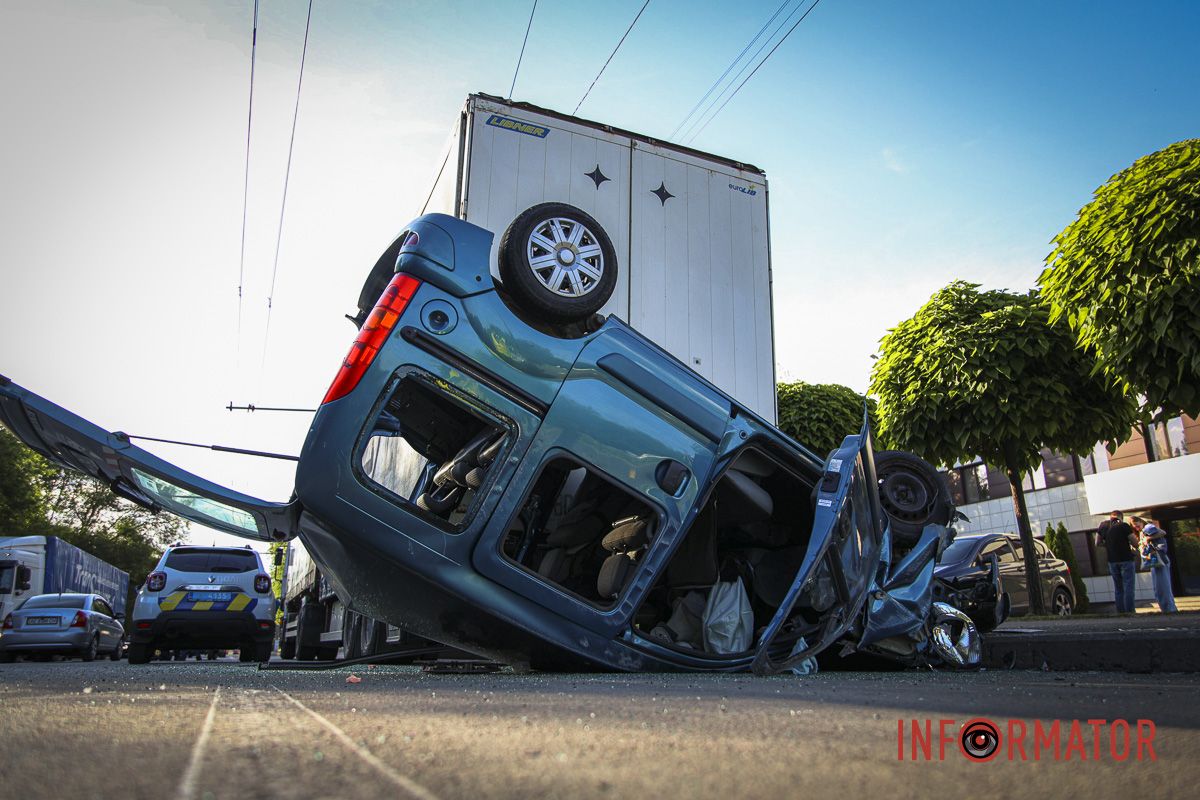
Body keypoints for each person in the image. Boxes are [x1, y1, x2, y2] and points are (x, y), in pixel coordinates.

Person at [1132, 516, 1177, 613]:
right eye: (1134, 526)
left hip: (1159, 559)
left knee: (1163, 587)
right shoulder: (1142, 531)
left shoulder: (1148, 527)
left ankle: (1169, 609)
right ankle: (1167, 609)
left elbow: (1162, 532)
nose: (1136, 528)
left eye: (1137, 525)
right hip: (1154, 561)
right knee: (1159, 587)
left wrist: (1147, 538)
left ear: (1140, 521)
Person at [1098, 510, 1137, 613]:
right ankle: (1130, 611)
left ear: (1111, 516)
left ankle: (1121, 612)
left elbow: (1097, 543)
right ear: (1121, 517)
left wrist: (1109, 545)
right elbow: (1134, 541)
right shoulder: (1124, 525)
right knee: (1128, 586)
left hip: (1112, 560)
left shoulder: (1103, 526)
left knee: (1118, 588)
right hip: (1126, 559)